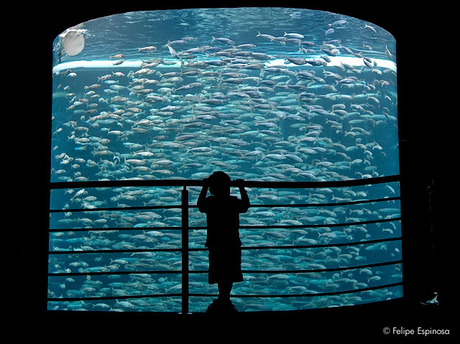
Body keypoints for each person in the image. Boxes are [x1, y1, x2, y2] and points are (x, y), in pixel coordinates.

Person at [197, 171, 250, 313]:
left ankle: (222, 298)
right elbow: (245, 205)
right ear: (228, 187)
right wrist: (241, 187)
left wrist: (203, 187)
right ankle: (225, 298)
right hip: (232, 242)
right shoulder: (232, 201)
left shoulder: (211, 202)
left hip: (216, 242)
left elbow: (200, 205)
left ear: (212, 188)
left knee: (219, 271)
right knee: (229, 272)